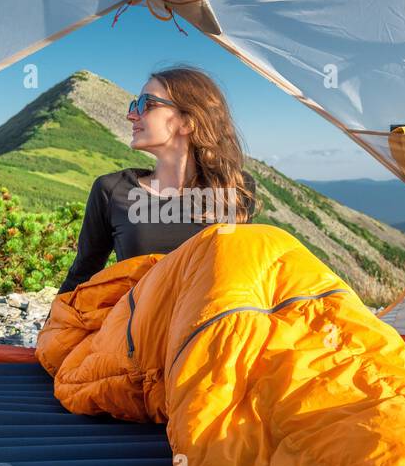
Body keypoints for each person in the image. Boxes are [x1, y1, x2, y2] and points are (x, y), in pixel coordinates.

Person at [57, 66, 257, 295]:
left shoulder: (235, 187)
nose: (131, 115)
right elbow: (82, 276)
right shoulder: (112, 190)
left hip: (212, 325)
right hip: (140, 327)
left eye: (146, 104)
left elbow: (242, 277)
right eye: (134, 105)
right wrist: (51, 330)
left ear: (188, 121)